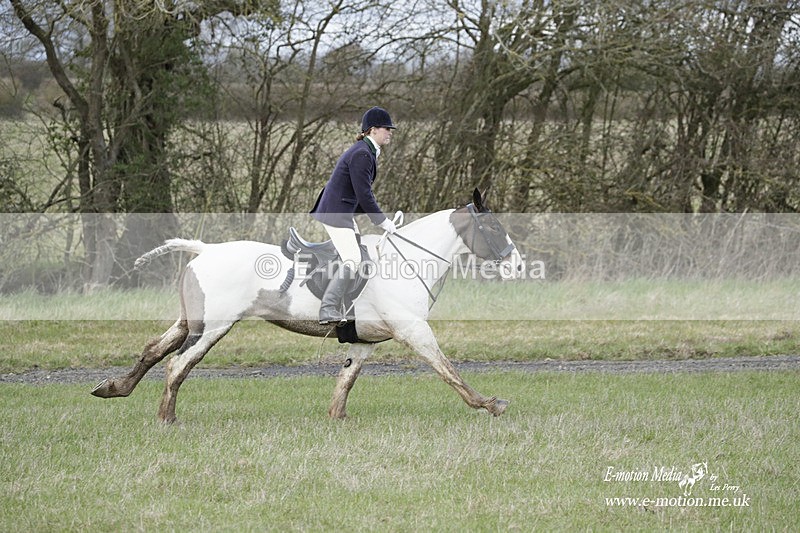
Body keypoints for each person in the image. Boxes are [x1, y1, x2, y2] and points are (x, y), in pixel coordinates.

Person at [310, 106, 397, 325]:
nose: (390, 132)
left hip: (342, 211)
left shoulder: (365, 151)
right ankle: (328, 308)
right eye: (387, 128)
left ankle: (349, 305)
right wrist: (383, 221)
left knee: (360, 255)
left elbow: (360, 192)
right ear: (373, 129)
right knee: (353, 259)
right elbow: (364, 194)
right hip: (336, 213)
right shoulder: (362, 153)